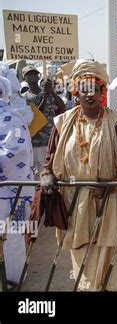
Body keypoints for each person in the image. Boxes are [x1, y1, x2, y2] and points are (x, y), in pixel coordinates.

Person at [39, 59, 117, 291]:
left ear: (102, 92)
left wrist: (112, 184)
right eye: (83, 90)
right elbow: (50, 160)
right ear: (75, 93)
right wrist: (47, 175)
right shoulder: (62, 123)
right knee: (85, 271)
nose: (89, 95)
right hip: (77, 208)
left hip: (111, 204)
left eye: (94, 89)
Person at [0, 76, 34, 288]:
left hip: (10, 193)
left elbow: (14, 152)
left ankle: (13, 279)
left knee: (11, 235)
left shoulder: (11, 118)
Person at [21, 65, 66, 178]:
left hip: (50, 139)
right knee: (37, 174)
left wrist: (51, 92)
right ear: (24, 78)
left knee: (50, 172)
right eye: (29, 74)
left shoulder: (47, 92)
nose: (33, 76)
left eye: (34, 74)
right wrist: (44, 99)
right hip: (34, 141)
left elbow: (62, 106)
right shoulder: (24, 98)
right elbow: (36, 116)